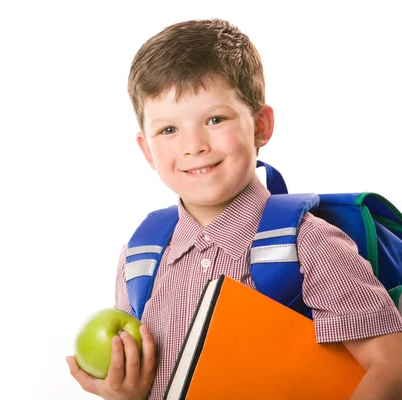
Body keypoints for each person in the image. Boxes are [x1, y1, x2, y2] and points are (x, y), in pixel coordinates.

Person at [65, 18, 402, 400]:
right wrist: (127, 393)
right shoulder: (139, 258)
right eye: (169, 130)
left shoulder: (308, 244)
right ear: (146, 149)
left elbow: (390, 366)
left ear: (260, 126)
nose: (193, 145)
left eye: (215, 119)